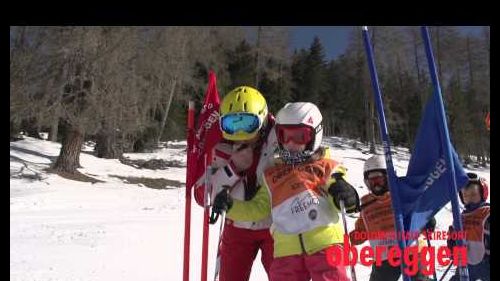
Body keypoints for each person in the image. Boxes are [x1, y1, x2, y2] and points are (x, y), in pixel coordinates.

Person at [213, 102, 360, 281]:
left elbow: (338, 186)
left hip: (324, 244)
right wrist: (230, 206)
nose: (291, 144)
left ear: (315, 134)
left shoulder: (324, 166)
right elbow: (258, 209)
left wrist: (344, 194)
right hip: (286, 251)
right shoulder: (273, 174)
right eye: (284, 136)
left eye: (300, 136)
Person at [193, 86, 277, 281]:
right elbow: (202, 196)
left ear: (262, 120)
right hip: (236, 227)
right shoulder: (221, 147)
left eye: (248, 124)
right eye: (232, 124)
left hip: (275, 227)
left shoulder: (278, 140)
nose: (240, 133)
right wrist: (233, 168)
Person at [349, 155, 435, 281]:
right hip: (384, 256)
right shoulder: (367, 205)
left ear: (388, 177)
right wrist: (349, 239)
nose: (375, 185)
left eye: (379, 180)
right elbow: (362, 231)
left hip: (411, 251)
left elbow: (418, 216)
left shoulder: (402, 195)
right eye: (371, 181)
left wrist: (427, 221)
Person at [447, 172, 490, 281]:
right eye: (466, 195)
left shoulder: (487, 212)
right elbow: (452, 237)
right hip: (466, 262)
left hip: (486, 262)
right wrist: (453, 248)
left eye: (473, 194)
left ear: (482, 193)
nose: (469, 198)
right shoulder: (460, 217)